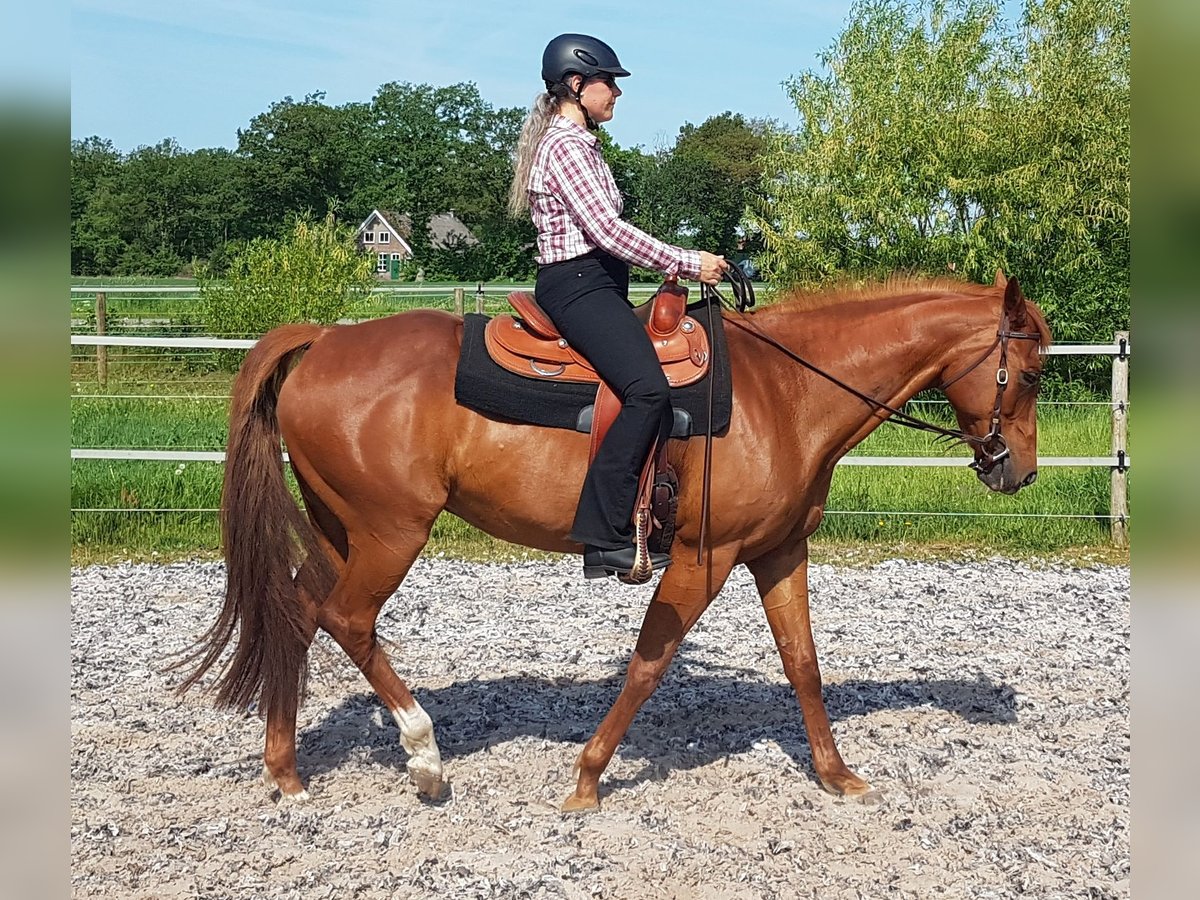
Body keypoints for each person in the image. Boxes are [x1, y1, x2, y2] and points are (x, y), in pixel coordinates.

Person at [507, 33, 729, 580]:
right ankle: (605, 535)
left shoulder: (580, 144)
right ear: (578, 85)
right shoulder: (566, 147)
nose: (616, 93)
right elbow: (606, 231)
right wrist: (684, 262)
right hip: (579, 283)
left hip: (596, 283)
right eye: (610, 82)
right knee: (647, 389)